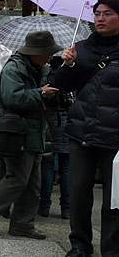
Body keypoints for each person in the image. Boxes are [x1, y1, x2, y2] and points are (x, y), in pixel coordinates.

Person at [0, 31, 61, 241]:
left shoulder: (37, 68)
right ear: (36, 53)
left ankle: (23, 224)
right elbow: (12, 98)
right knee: (17, 179)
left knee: (32, 183)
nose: (49, 58)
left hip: (32, 133)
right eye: (47, 53)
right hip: (17, 133)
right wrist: (40, 93)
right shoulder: (15, 67)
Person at [51, 0, 119, 257]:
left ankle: (112, 249)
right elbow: (61, 86)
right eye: (97, 13)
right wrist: (68, 65)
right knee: (79, 193)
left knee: (114, 200)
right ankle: (79, 244)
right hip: (82, 133)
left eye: (108, 13)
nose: (100, 18)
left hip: (115, 138)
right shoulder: (81, 48)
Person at [38, 56, 72, 220]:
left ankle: (44, 206)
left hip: (49, 122)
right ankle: (66, 208)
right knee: (67, 168)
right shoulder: (72, 73)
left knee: (48, 165)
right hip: (69, 121)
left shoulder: (47, 74)